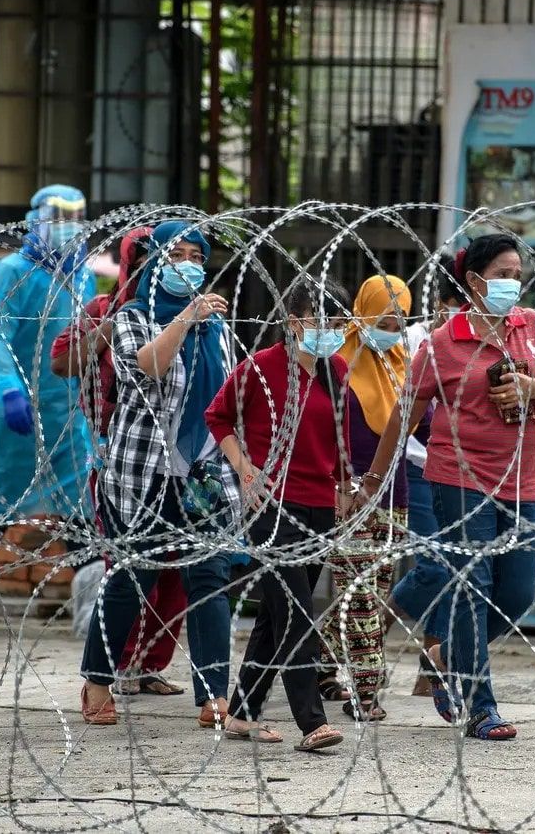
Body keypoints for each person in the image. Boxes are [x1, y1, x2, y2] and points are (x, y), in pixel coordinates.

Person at [355, 233, 535, 740]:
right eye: (503, 274)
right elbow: (406, 413)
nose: (513, 283)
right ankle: (481, 706)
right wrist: (374, 476)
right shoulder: (444, 341)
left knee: (518, 591)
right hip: (458, 476)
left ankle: (443, 656)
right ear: (475, 280)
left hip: (521, 480)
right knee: (473, 587)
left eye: (518, 274)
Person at [79, 220, 235, 727]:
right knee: (132, 577)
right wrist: (187, 317)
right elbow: (147, 367)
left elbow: (224, 403)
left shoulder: (219, 331)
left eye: (196, 256)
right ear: (156, 261)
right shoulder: (132, 317)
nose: (188, 264)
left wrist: (244, 463)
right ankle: (98, 681)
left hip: (201, 471)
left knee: (209, 579)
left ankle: (213, 695)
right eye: (177, 254)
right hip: (140, 470)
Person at [0, 184, 95, 636]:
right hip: (17, 417)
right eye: (57, 217)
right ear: (35, 220)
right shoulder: (13, 271)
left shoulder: (80, 274)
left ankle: (90, 614)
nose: (67, 228)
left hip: (67, 415)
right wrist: (7, 389)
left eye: (75, 218)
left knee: (81, 512)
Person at [205, 277, 351, 752]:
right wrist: (246, 469)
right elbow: (218, 416)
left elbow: (339, 440)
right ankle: (313, 722)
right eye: (319, 319)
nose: (329, 329)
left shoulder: (338, 371)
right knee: (296, 613)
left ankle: (243, 713)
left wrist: (345, 486)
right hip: (273, 504)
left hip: (319, 503)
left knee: (278, 610)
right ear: (294, 322)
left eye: (338, 320)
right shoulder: (262, 368)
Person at [51, 226, 189, 695]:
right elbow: (62, 362)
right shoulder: (102, 310)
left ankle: (150, 663)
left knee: (177, 571)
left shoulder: (185, 312)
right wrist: (110, 328)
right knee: (130, 566)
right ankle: (113, 665)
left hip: (181, 458)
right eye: (147, 257)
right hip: (121, 455)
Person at [316, 273, 411, 721]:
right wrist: (339, 484)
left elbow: (422, 427)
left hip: (396, 495)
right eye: (386, 319)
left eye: (401, 320)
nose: (392, 328)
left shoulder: (403, 364)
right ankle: (367, 692)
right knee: (360, 599)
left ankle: (316, 659)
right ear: (366, 312)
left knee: (373, 592)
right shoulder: (334, 360)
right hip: (348, 496)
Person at [390, 256, 462, 697]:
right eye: (452, 303)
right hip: (417, 465)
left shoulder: (480, 341)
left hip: (459, 469)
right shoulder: (414, 340)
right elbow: (401, 405)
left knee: (453, 568)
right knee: (435, 566)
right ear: (439, 302)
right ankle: (377, 612)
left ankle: (429, 668)